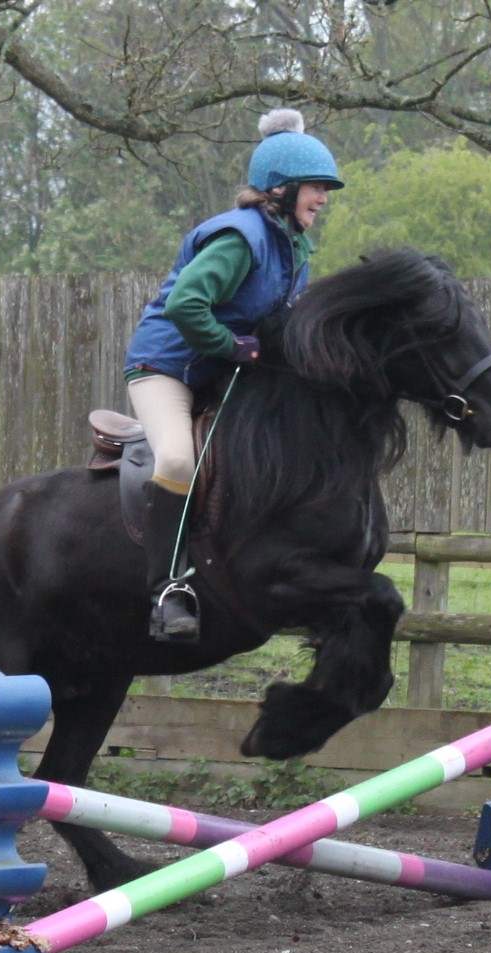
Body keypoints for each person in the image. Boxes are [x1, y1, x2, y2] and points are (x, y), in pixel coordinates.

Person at [124, 107, 344, 643]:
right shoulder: (240, 238)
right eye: (316, 187)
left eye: (325, 189)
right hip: (167, 368)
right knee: (178, 457)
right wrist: (230, 345)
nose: (323, 198)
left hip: (221, 373)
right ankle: (166, 590)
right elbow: (186, 305)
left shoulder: (293, 247)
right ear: (281, 188)